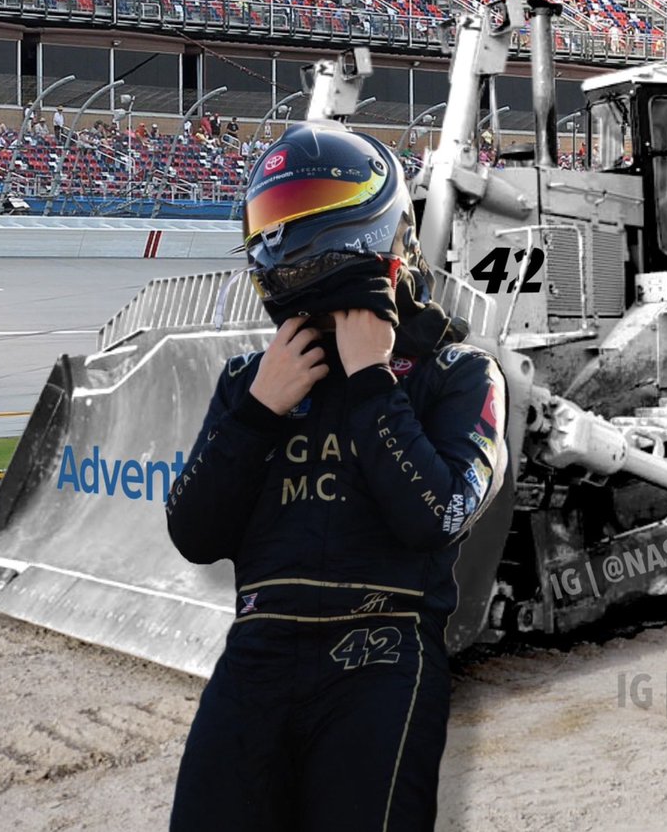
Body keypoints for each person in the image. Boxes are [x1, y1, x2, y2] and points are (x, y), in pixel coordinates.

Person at [166, 119, 508, 831]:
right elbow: (194, 533)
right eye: (275, 215)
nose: (284, 235)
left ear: (378, 224)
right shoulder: (249, 382)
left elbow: (437, 518)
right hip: (256, 657)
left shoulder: (461, 372)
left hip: (381, 657)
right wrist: (259, 411)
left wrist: (371, 379)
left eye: (307, 208)